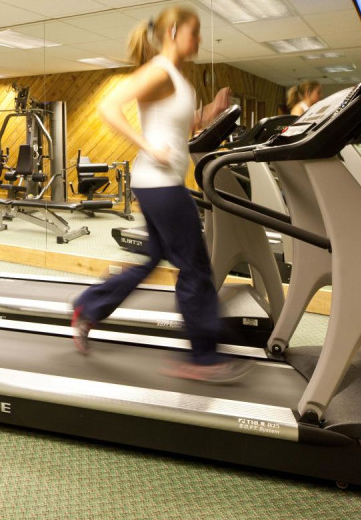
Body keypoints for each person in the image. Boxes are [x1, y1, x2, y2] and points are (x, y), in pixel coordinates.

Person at [70, 5, 254, 384]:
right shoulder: (158, 69)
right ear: (173, 33)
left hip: (158, 182)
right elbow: (108, 107)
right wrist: (147, 146)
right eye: (194, 32)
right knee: (195, 267)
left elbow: (176, 125)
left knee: (154, 259)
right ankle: (204, 359)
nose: (199, 40)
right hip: (160, 183)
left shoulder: (176, 77)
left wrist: (207, 115)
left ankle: (87, 307)